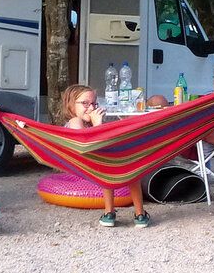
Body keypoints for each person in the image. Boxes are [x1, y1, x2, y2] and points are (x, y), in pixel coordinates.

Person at [61, 84, 150, 228]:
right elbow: (86, 144)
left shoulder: (86, 122)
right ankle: (139, 214)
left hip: (99, 162)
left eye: (94, 103)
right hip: (90, 162)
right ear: (71, 106)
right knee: (129, 167)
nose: (91, 107)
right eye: (85, 103)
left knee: (125, 164)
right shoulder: (75, 121)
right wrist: (98, 124)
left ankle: (110, 214)